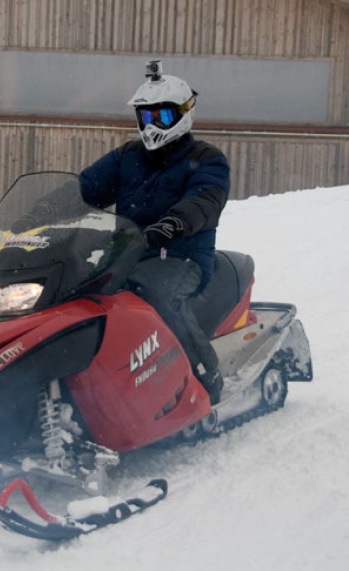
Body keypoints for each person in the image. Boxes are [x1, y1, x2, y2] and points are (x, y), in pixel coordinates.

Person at [79, 60, 229, 405]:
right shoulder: (128, 156)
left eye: (160, 117)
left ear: (182, 114)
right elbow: (87, 187)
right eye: (146, 117)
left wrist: (175, 222)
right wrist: (48, 209)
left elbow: (205, 199)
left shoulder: (207, 159)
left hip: (181, 256)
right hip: (129, 254)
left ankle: (205, 376)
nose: (152, 125)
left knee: (156, 293)